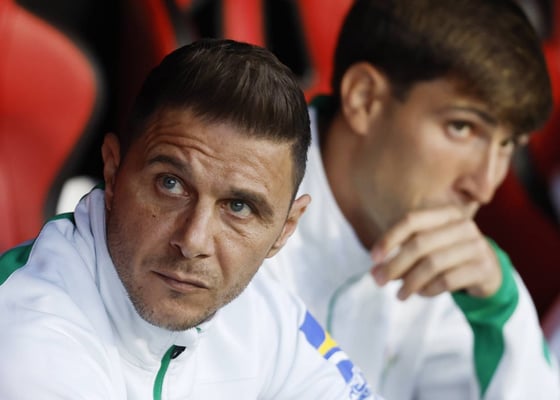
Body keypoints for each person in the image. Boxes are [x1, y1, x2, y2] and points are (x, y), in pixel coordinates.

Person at [0, 38, 380, 399]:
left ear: (285, 229)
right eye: (171, 185)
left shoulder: (262, 310)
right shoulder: (30, 335)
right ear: (113, 172)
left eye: (238, 207)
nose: (193, 241)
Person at [262, 0, 560, 399]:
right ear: (365, 99)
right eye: (462, 127)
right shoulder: (223, 206)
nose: (484, 186)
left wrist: (501, 311)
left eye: (508, 144)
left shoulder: (445, 269)